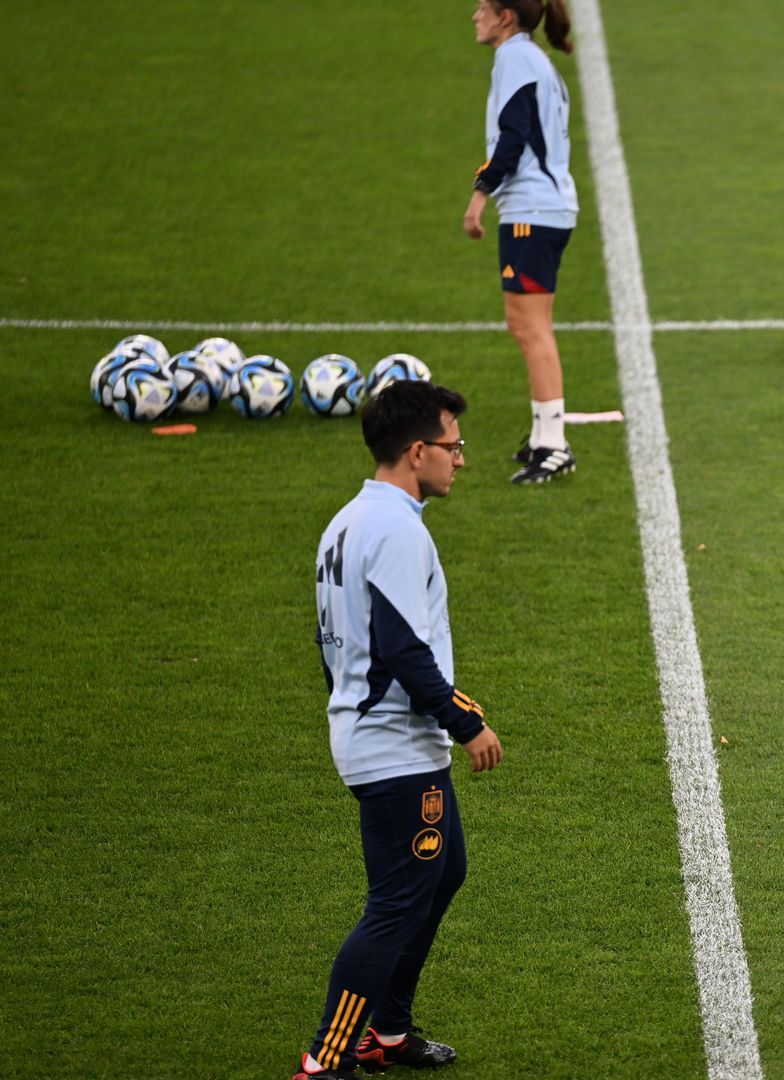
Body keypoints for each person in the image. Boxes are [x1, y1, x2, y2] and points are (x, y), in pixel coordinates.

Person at [292, 381, 503, 1079]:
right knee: (395, 904)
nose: (460, 461)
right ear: (417, 452)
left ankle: (386, 1029)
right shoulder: (396, 530)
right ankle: (328, 1058)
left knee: (443, 874)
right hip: (393, 748)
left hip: (377, 736)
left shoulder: (349, 521)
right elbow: (399, 647)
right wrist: (464, 720)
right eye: (453, 446)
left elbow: (337, 643)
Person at [464, 0, 580, 485]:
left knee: (529, 328)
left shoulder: (514, 58)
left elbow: (512, 138)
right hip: (546, 208)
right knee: (534, 325)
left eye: (483, 7)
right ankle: (542, 436)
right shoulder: (534, 59)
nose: (474, 14)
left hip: (532, 211)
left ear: (505, 16)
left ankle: (553, 446)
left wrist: (479, 196)